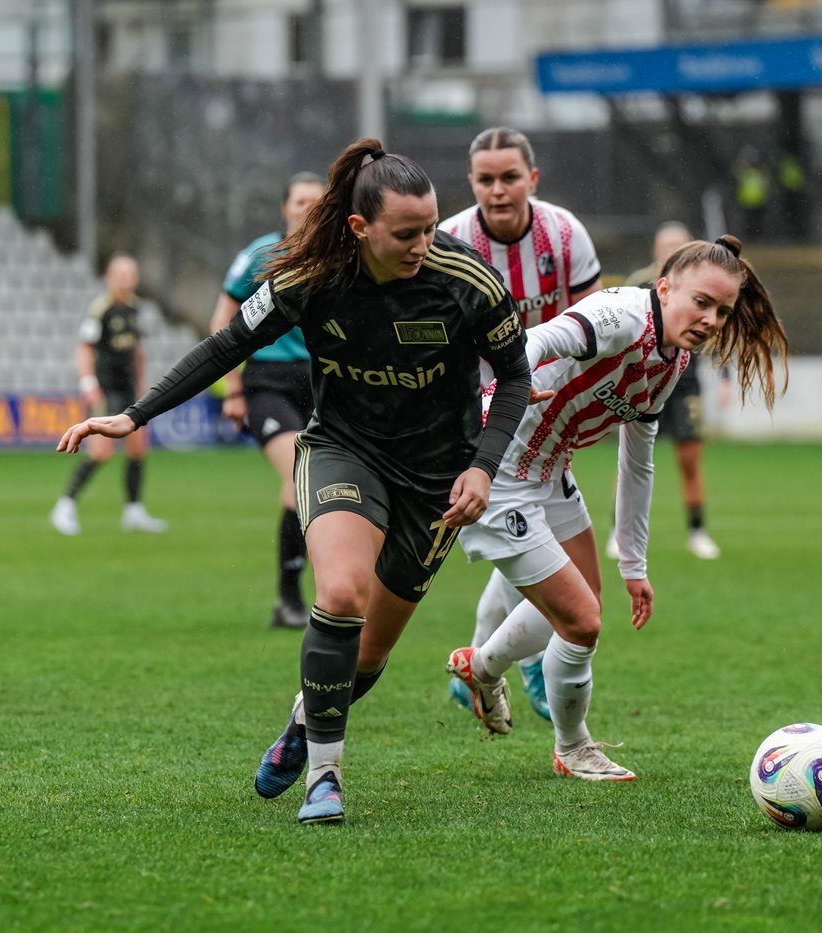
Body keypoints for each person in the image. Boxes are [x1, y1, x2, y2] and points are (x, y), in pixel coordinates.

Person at [58, 138, 531, 825]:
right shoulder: (311, 277)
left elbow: (514, 375)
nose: (423, 245)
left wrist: (482, 467)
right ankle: (325, 778)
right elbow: (227, 345)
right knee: (341, 594)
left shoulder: (468, 281)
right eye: (406, 233)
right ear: (359, 227)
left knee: (369, 653)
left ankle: (304, 721)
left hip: (436, 479)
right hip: (345, 451)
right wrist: (134, 415)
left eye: (430, 228)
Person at [448, 235, 787, 779]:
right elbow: (537, 339)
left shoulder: (673, 361)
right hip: (498, 464)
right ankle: (573, 747)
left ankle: (481, 669)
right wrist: (516, 381)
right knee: (581, 623)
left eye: (722, 312)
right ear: (665, 288)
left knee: (583, 607)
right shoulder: (622, 316)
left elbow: (638, 463)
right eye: (701, 302)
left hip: (548, 469)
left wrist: (634, 564)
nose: (711, 320)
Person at [440, 126, 603, 722]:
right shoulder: (451, 241)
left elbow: (595, 319)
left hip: (552, 410)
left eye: (510, 177)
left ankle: (481, 665)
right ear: (471, 183)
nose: (498, 190)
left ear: (532, 178)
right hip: (482, 413)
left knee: (527, 535)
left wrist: (580, 404)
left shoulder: (565, 234)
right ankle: (522, 660)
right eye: (485, 179)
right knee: (528, 534)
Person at [209, 173, 326, 629]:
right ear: (285, 208)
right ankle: (291, 598)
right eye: (300, 201)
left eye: (316, 202)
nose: (307, 209)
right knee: (300, 474)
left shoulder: (337, 255)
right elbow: (223, 321)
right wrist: (232, 388)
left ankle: (315, 597)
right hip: (267, 382)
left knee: (316, 486)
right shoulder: (260, 254)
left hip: (320, 383)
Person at [613, 221, 733, 561]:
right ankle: (617, 533)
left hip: (686, 385)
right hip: (643, 382)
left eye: (679, 245)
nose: (672, 251)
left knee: (690, 460)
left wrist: (725, 378)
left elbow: (717, 331)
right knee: (628, 460)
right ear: (656, 249)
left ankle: (697, 532)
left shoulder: (704, 285)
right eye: (667, 245)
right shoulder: (639, 283)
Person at [50, 254, 167, 536]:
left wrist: (142, 386)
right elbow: (84, 348)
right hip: (106, 390)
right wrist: (88, 383)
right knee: (101, 452)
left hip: (129, 389)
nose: (127, 279)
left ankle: (134, 511)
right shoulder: (100, 310)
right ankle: (65, 506)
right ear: (109, 278)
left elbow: (137, 352)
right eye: (121, 274)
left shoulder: (135, 309)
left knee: (138, 448)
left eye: (131, 274)